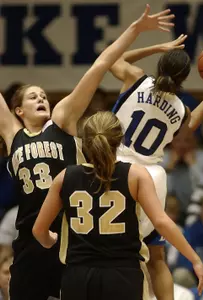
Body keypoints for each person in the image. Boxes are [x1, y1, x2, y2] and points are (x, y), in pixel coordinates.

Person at [0, 5, 173, 300]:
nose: (41, 97)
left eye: (44, 94)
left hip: (70, 236)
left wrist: (135, 30)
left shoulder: (63, 120)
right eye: (33, 96)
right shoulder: (12, 133)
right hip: (29, 240)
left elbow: (100, 65)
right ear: (18, 109)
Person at [33, 111, 203, 300]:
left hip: (78, 275)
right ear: (120, 140)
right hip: (123, 276)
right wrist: (196, 260)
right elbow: (161, 222)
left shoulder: (65, 176)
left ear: (84, 141)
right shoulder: (136, 175)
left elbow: (39, 230)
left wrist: (50, 240)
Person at [110, 35, 203, 299]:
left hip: (114, 168)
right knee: (157, 257)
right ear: (184, 78)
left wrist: (156, 45)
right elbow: (189, 128)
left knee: (108, 248)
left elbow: (112, 57)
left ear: (160, 64)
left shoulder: (136, 79)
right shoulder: (181, 109)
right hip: (152, 178)